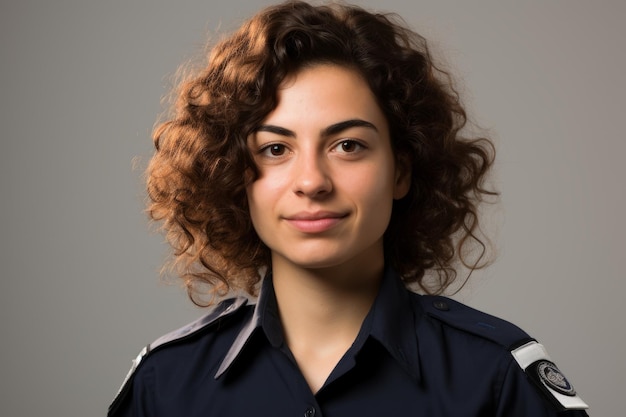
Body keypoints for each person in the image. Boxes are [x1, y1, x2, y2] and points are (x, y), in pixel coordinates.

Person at [108, 1, 589, 416]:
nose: (312, 181)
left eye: (348, 145)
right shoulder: (164, 386)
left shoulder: (494, 377)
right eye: (275, 149)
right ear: (234, 178)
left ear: (401, 170)